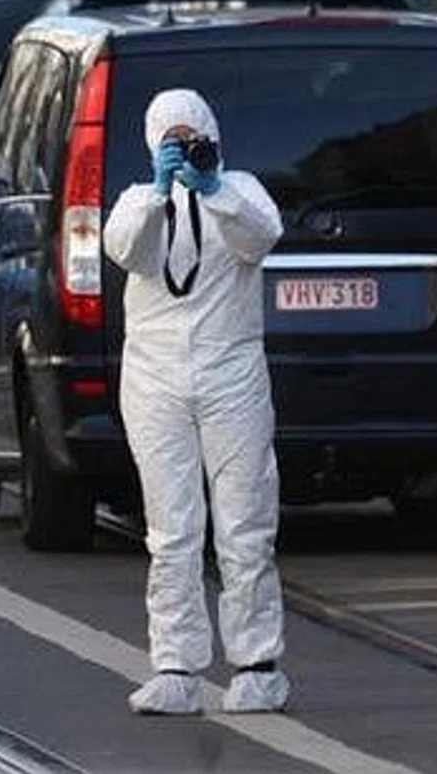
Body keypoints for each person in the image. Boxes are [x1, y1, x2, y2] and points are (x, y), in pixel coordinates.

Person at [102, 88, 290, 716]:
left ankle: (258, 666)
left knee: (244, 521)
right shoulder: (137, 199)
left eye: (192, 135)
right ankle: (175, 665)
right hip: (154, 374)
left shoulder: (238, 190)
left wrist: (212, 188)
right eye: (170, 137)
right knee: (172, 528)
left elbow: (261, 237)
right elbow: (125, 248)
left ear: (211, 133)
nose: (182, 146)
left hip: (231, 368)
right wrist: (161, 192)